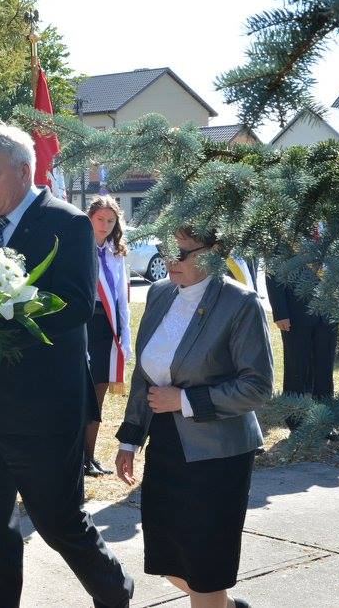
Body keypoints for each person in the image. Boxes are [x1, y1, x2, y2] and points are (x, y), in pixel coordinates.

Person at [0, 125, 133, 607]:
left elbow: (77, 305)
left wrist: (5, 311)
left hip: (45, 409)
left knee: (58, 521)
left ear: (24, 171)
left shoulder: (69, 223)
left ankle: (115, 592)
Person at [115, 228, 272, 608]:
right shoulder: (159, 293)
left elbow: (257, 387)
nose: (171, 260)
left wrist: (185, 400)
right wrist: (130, 439)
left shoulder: (240, 303)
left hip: (218, 455)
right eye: (166, 249)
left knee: (205, 570)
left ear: (214, 250)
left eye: (182, 252)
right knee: (170, 560)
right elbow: (146, 375)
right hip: (167, 446)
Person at [84, 196, 132, 478]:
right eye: (100, 219)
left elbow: (121, 296)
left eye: (110, 221)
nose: (104, 225)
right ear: (89, 218)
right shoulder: (80, 246)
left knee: (99, 393)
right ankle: (76, 456)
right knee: (81, 394)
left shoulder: (116, 251)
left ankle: (89, 456)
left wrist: (125, 334)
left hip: (107, 328)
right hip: (84, 325)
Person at [265, 257, 337, 428]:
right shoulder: (288, 239)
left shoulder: (332, 238)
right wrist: (280, 312)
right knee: (295, 369)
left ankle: (324, 420)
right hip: (295, 315)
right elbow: (273, 273)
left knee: (325, 369)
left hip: (328, 314)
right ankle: (294, 421)